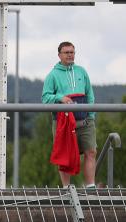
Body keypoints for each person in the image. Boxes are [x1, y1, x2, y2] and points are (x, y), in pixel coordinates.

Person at [42, 41, 96, 187]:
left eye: (72, 52)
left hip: (85, 121)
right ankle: (67, 189)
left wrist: (91, 116)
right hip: (62, 122)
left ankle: (91, 187)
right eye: (66, 52)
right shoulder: (52, 75)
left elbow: (90, 94)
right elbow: (45, 98)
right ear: (59, 55)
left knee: (91, 152)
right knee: (64, 157)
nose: (70, 55)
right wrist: (60, 98)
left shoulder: (82, 71)